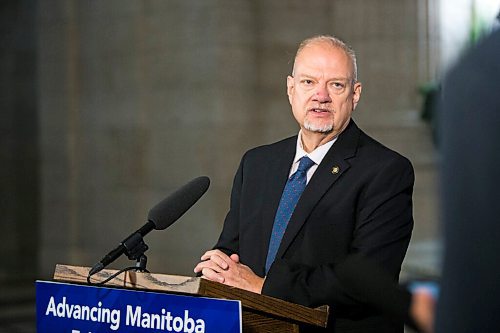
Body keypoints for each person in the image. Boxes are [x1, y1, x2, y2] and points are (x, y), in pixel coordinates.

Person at [194, 35, 415, 332]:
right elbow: (233, 250)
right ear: (291, 89)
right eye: (308, 82)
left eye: (336, 85)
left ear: (355, 94)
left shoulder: (386, 171)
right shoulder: (257, 163)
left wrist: (265, 287)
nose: (320, 95)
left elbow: (368, 277)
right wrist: (218, 269)